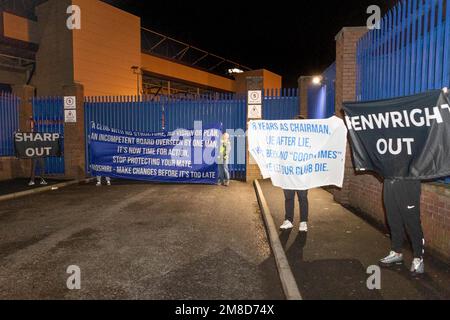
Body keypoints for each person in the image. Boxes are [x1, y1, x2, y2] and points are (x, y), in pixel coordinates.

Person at [379, 179, 425, 275]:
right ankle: (396, 252)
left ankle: (418, 258)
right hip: (389, 182)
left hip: (408, 183)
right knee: (393, 221)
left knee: (412, 223)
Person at [280, 114, 309, 233]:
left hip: (302, 174)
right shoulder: (287, 140)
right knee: (288, 198)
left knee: (302, 198)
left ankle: (303, 222)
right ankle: (288, 220)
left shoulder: (308, 140)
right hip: (288, 173)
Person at [27, 116, 47, 186]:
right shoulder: (33, 136)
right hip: (36, 153)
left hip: (39, 153)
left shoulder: (38, 136)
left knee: (41, 167)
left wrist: (32, 120)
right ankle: (33, 180)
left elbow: (33, 127)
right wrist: (31, 120)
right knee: (35, 167)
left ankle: (41, 180)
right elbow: (32, 128)